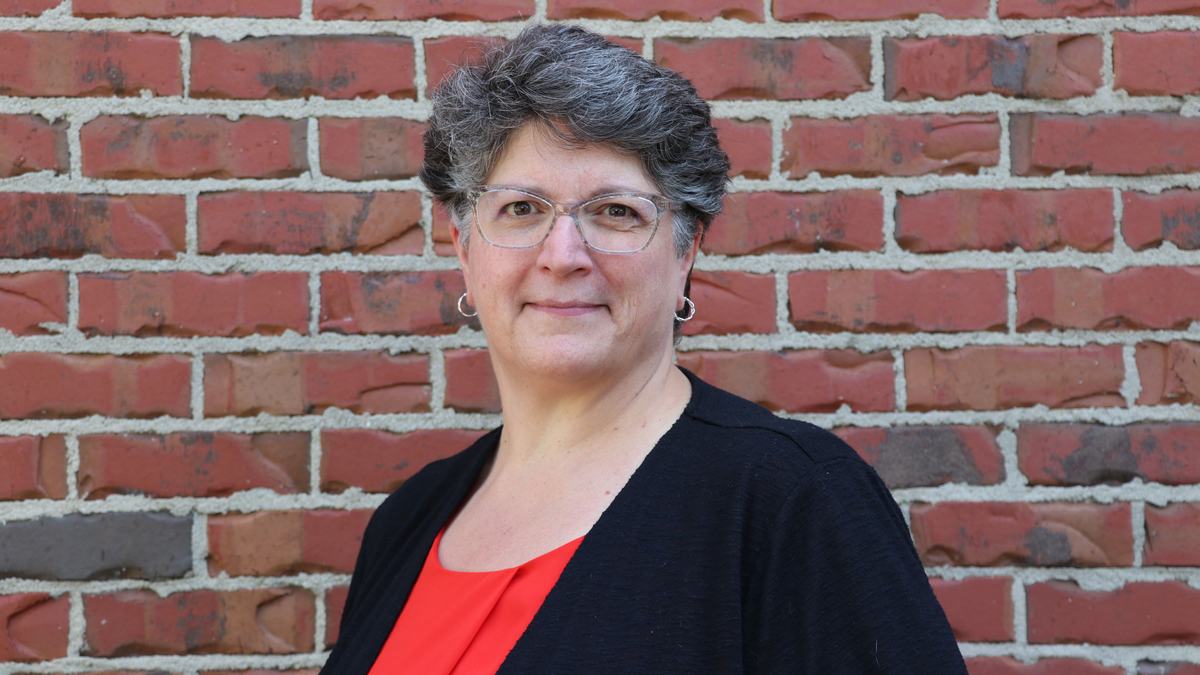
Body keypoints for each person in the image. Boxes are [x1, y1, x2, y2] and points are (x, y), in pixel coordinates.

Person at [321, 23, 967, 674]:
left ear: (686, 250)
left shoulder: (793, 501)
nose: (562, 255)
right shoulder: (409, 520)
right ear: (464, 247)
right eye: (520, 208)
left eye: (616, 212)